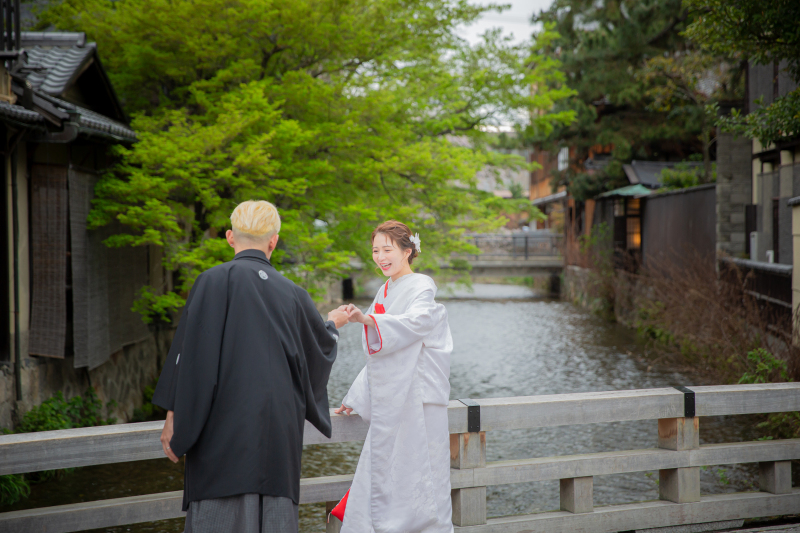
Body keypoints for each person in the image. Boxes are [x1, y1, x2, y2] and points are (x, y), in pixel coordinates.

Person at [151, 200, 349, 533]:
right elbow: (318, 348)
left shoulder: (212, 281)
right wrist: (330, 324)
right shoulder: (294, 294)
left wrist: (176, 417)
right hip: (277, 438)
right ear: (273, 241)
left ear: (230, 237)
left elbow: (191, 357)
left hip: (223, 435)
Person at [334, 220, 454, 533]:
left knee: (422, 472)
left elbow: (415, 324)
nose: (380, 256)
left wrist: (368, 320)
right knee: (386, 471)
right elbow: (380, 355)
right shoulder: (385, 289)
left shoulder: (421, 286)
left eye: (388, 249)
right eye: (375, 250)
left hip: (419, 397)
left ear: (408, 251)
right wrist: (357, 397)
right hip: (395, 393)